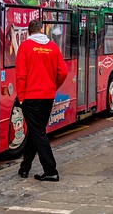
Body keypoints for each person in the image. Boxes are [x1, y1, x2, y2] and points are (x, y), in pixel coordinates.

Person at [15, 20, 68, 182]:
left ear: (29, 32)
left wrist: (21, 97)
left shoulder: (25, 46)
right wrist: (53, 86)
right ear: (42, 30)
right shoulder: (53, 47)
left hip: (31, 97)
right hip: (47, 97)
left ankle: (51, 170)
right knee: (35, 130)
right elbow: (63, 72)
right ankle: (25, 168)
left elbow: (21, 75)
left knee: (38, 133)